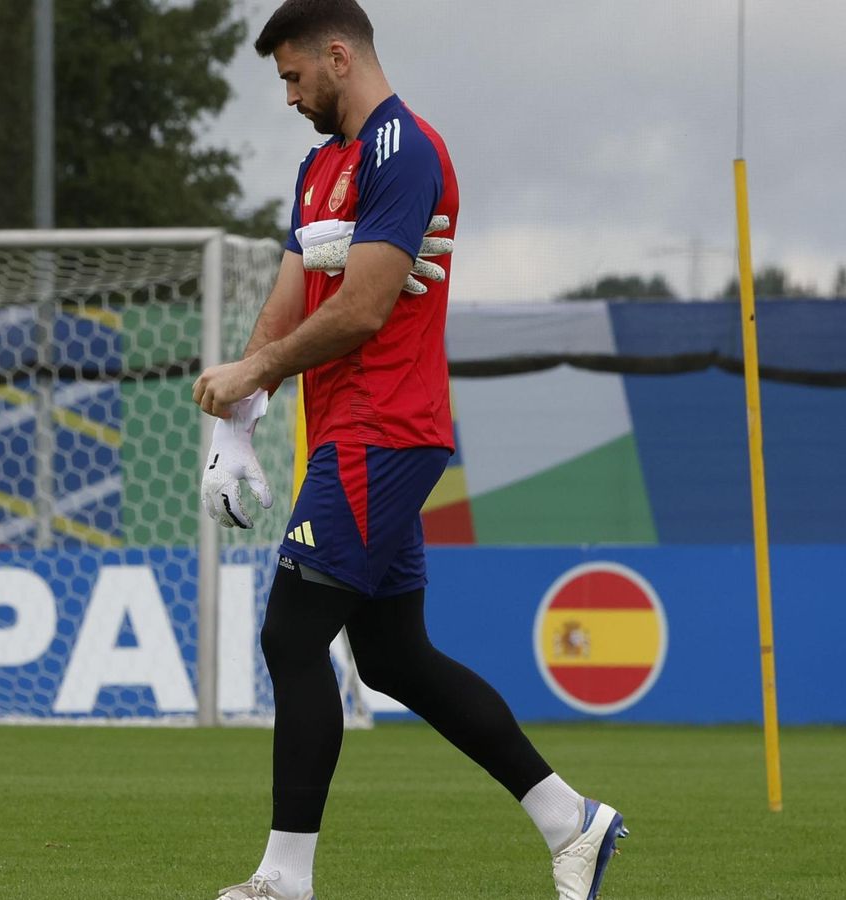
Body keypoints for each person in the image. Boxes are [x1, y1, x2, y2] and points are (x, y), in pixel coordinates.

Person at [192, 2, 627, 898]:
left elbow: (362, 309)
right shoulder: (320, 167)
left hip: (382, 430)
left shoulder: (406, 150)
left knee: (290, 636)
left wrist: (256, 370)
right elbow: (288, 299)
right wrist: (239, 422)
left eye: (293, 77)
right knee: (392, 658)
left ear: (338, 57)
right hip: (350, 435)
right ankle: (571, 821)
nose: (289, 97)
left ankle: (284, 878)